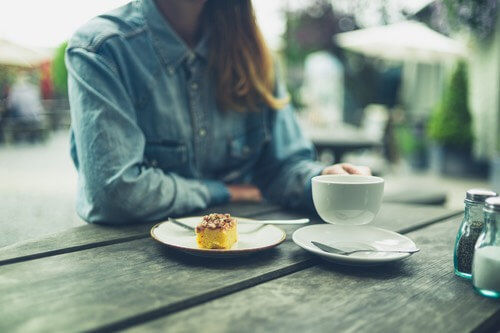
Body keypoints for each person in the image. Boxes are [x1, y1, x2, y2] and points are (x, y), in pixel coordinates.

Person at [66, 0, 370, 224]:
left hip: (250, 262)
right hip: (128, 263)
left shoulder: (253, 55)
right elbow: (114, 193)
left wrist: (322, 180)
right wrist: (220, 192)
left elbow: (282, 168)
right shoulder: (101, 50)